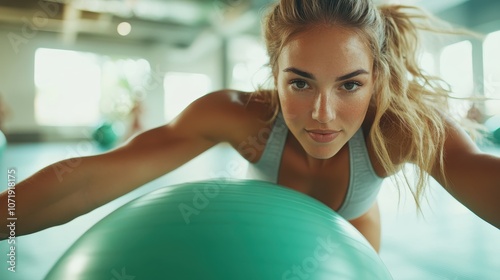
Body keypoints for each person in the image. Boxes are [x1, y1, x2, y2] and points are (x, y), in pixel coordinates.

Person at [1, 0, 499, 252]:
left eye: (349, 85)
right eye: (300, 84)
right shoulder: (236, 115)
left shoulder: (401, 130)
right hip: (257, 240)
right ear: (273, 74)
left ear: (377, 81)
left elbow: (481, 174)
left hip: (352, 238)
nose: (322, 114)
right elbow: (86, 180)